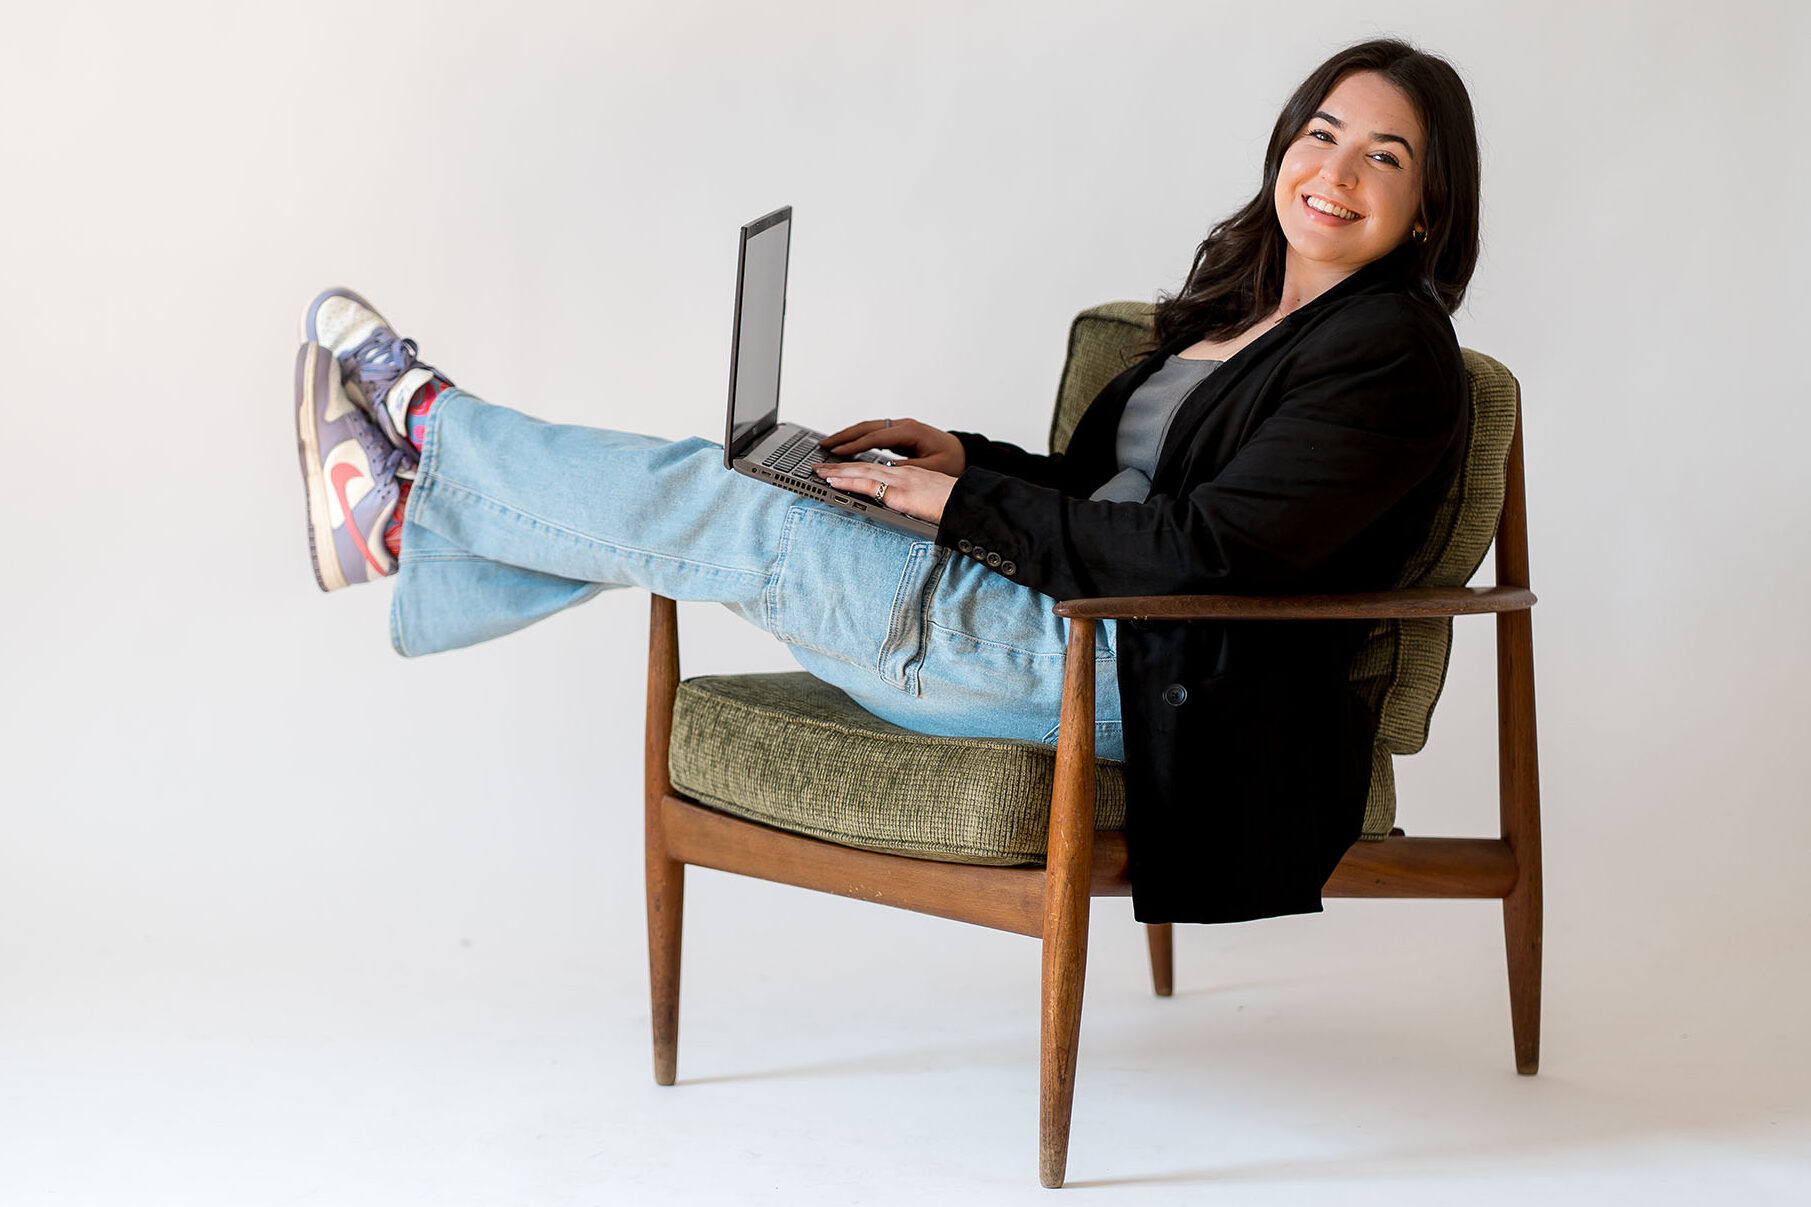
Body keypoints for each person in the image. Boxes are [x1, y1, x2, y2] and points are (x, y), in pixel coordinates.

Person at [293, 37, 1480, 925]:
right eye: (1319, 133)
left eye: (1385, 155)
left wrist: (963, 512)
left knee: (747, 507)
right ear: (1283, 146)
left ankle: (431, 439)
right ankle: (409, 517)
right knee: (766, 490)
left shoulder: (1390, 355)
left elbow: (1203, 553)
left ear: (1425, 208)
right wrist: (965, 461)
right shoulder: (1245, 311)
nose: (1336, 169)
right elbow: (1107, 492)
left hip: (1131, 676)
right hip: (1057, 621)